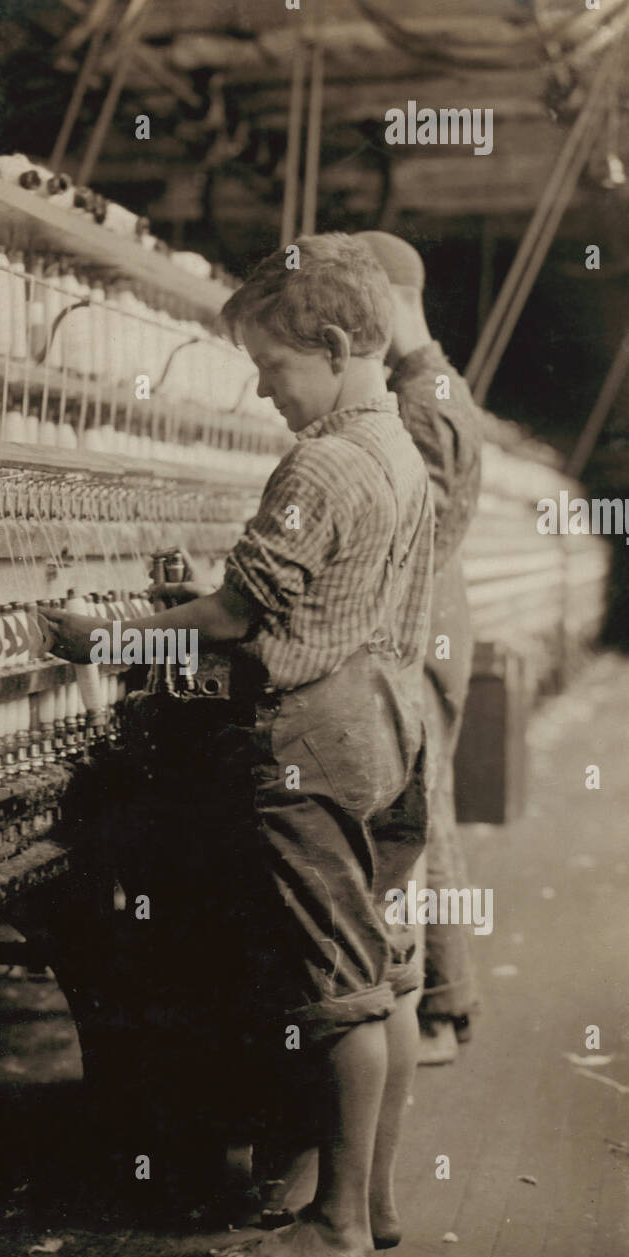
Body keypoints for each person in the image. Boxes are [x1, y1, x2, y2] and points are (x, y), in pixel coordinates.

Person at [40, 233, 433, 1257]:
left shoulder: (323, 459)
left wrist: (105, 637)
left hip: (316, 738)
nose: (268, 395)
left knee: (336, 986)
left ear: (340, 344)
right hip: (391, 718)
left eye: (274, 370)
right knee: (385, 974)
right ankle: (376, 1202)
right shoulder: (399, 448)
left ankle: (335, 1226)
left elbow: (232, 613)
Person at [353, 231, 483, 1064]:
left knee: (419, 822)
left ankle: (436, 1012)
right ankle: (445, 1003)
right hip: (434, 626)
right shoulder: (429, 383)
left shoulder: (421, 395)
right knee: (433, 819)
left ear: (388, 297)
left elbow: (420, 528)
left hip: (423, 631)